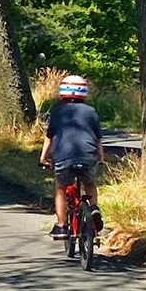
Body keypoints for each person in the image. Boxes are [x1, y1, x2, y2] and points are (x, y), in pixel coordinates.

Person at [39, 74, 103, 240]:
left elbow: (49, 137)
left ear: (63, 93)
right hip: (88, 155)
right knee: (89, 182)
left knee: (61, 188)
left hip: (64, 157)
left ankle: (61, 226)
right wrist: (100, 157)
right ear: (84, 93)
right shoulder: (91, 111)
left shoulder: (58, 112)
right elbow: (97, 138)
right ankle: (94, 208)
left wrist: (43, 158)